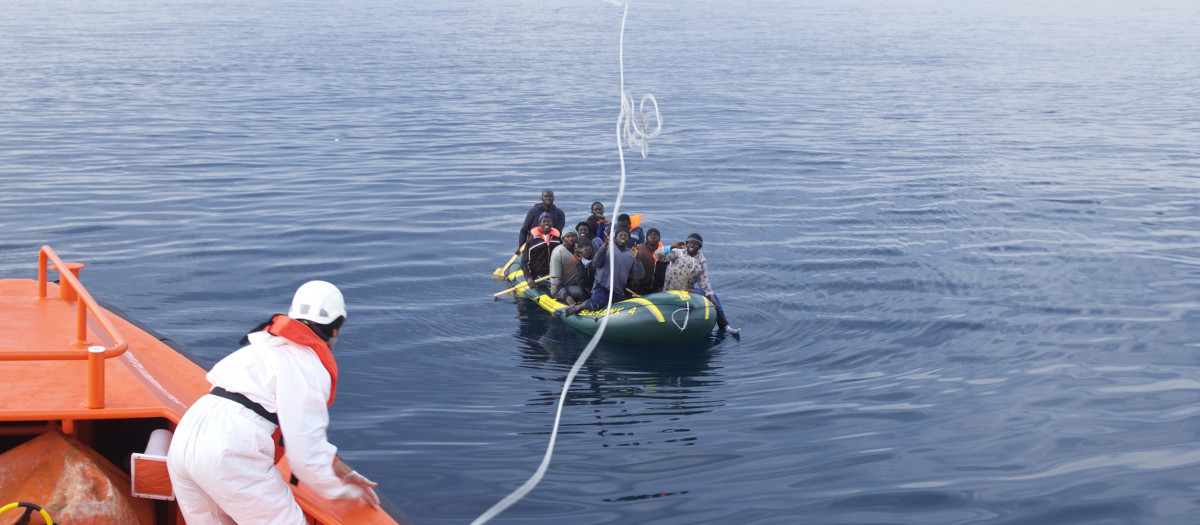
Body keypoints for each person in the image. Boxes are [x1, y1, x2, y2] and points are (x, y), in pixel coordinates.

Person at [167, 281, 380, 524]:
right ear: (336, 329)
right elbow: (304, 452)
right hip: (230, 451)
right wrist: (339, 490)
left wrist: (341, 469)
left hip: (186, 438)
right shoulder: (309, 367)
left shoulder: (260, 348)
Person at [656, 233, 739, 334]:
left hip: (687, 293)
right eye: (690, 242)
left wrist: (711, 296)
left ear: (699, 246)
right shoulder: (677, 253)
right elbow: (658, 255)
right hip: (670, 291)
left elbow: (704, 281)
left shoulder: (701, 262)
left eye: (695, 244)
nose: (692, 245)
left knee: (714, 297)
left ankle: (725, 326)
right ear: (686, 244)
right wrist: (672, 246)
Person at [564, 228, 644, 316]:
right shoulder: (607, 249)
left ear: (629, 239)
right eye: (620, 235)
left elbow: (639, 275)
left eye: (626, 236)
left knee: (624, 310)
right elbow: (595, 263)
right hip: (602, 286)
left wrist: (637, 260)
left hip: (618, 290)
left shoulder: (631, 254)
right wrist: (605, 245)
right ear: (615, 238)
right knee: (596, 302)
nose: (623, 237)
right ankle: (578, 307)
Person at [521, 213, 562, 287]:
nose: (547, 223)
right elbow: (524, 262)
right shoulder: (531, 241)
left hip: (555, 273)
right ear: (539, 224)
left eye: (549, 221)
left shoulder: (557, 239)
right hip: (539, 275)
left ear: (552, 224)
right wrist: (529, 278)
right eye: (544, 221)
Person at [557, 241, 595, 305]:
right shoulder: (575, 262)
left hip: (594, 288)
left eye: (587, 246)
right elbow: (583, 283)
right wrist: (579, 263)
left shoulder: (596, 260)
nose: (585, 249)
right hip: (584, 291)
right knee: (580, 292)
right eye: (582, 247)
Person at [631, 227, 666, 295]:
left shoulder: (664, 252)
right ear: (646, 238)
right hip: (639, 286)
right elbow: (629, 266)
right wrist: (634, 279)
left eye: (655, 235)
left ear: (659, 238)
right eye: (651, 235)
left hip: (657, 288)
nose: (653, 236)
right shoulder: (639, 249)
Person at [548, 230, 578, 298]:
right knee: (580, 292)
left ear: (577, 238)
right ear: (563, 239)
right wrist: (565, 296)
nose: (570, 238)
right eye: (567, 236)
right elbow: (556, 278)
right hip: (559, 288)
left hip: (574, 284)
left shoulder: (578, 249)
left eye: (573, 236)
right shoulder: (558, 252)